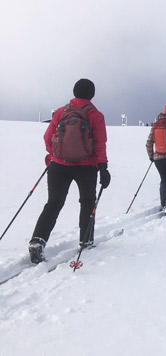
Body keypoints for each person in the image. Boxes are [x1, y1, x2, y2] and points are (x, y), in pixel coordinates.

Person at [28, 78, 111, 264]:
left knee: (54, 203)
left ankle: (37, 241)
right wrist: (103, 167)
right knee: (88, 201)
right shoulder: (95, 115)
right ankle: (86, 240)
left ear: (74, 92)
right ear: (92, 94)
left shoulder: (60, 112)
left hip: (58, 165)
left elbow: (48, 137)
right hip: (86, 166)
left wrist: (54, 155)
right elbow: (100, 144)